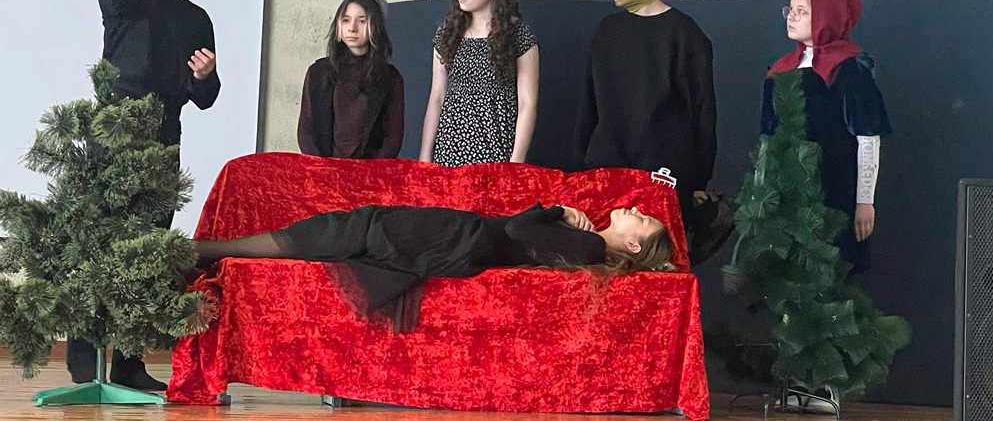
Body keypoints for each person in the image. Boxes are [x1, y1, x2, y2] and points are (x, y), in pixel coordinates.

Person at [57, 0, 221, 391]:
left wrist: (205, 76)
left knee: (147, 253)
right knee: (98, 244)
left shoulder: (196, 17)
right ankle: (84, 359)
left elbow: (205, 98)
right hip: (116, 135)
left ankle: (128, 365)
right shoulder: (124, 1)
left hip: (165, 140)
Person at [196, 204, 674, 331]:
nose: (636, 209)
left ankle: (206, 251)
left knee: (347, 231)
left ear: (633, 243)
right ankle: (208, 251)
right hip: (455, 240)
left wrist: (556, 211)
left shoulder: (590, 244)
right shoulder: (588, 243)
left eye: (643, 219)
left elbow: (517, 230)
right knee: (342, 233)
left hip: (456, 240)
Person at [573, 0, 717, 259]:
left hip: (664, 178)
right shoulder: (607, 30)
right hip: (605, 171)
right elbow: (590, 101)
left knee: (661, 267)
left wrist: (698, 179)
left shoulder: (685, 34)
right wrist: (582, 166)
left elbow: (703, 111)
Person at [762, 0, 891, 274]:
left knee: (831, 271)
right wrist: (762, 194)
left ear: (826, 16)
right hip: (787, 192)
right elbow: (767, 139)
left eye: (802, 11)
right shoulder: (780, 70)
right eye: (790, 10)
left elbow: (867, 137)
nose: (791, 17)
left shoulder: (850, 69)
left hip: (835, 190)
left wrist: (864, 201)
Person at [419, 0, 539, 166]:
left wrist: (515, 163)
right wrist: (425, 157)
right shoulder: (447, 33)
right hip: (448, 154)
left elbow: (527, 103)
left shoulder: (518, 35)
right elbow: (437, 96)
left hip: (497, 154)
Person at [298, 0, 404, 158]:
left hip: (370, 172)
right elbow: (306, 132)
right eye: (346, 20)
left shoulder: (390, 78)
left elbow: (392, 139)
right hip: (323, 170)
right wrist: (323, 168)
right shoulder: (318, 73)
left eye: (362, 21)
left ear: (375, 27)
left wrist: (367, 172)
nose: (352, 28)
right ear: (338, 26)